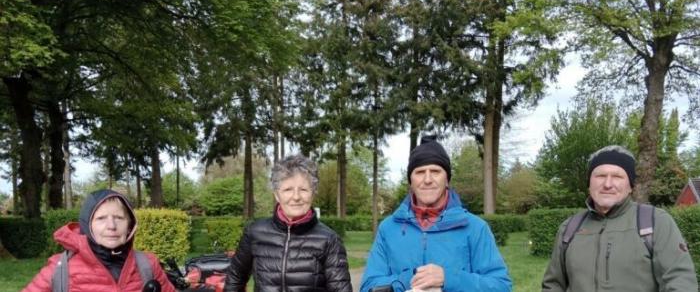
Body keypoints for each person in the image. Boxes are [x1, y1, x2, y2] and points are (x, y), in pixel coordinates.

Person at [360, 135, 512, 292]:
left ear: (447, 179)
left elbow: (501, 286)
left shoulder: (475, 228)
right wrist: (408, 280)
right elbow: (368, 287)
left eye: (435, 171)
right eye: (419, 172)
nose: (427, 179)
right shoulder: (388, 229)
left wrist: (449, 279)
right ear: (410, 181)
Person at [541, 145, 697, 291]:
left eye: (617, 176)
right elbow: (553, 285)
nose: (608, 184)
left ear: (630, 186)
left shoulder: (656, 222)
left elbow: (680, 282)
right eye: (600, 176)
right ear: (589, 183)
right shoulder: (569, 228)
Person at [224, 154, 352, 292]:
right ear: (277, 195)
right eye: (288, 189)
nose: (296, 197)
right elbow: (235, 278)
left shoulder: (329, 240)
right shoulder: (254, 232)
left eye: (303, 189)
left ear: (313, 193)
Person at [23, 189, 175, 292]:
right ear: (88, 225)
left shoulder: (148, 264)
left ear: (130, 225)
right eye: (101, 218)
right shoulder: (60, 268)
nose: (111, 226)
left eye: (119, 218)